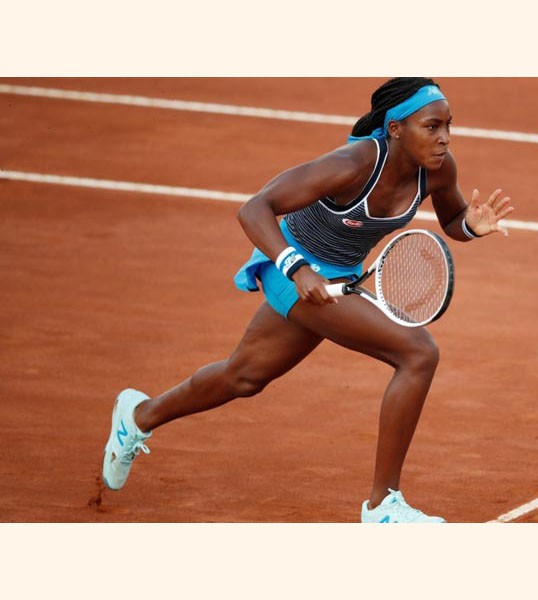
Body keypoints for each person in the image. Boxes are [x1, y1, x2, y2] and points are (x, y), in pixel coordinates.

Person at [101, 77, 514, 523]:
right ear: (395, 129)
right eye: (432, 126)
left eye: (448, 125)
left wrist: (471, 226)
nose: (445, 137)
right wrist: (297, 269)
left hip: (338, 276)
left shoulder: (439, 168)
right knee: (418, 353)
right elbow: (255, 208)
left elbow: (452, 218)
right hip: (290, 268)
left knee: (244, 376)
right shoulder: (351, 165)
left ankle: (138, 415)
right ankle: (383, 507)